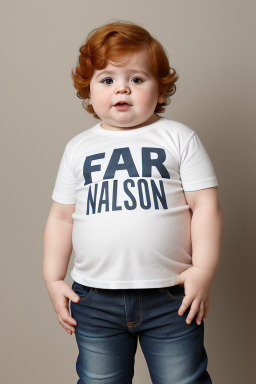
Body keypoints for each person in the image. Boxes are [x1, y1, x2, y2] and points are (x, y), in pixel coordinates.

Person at [43, 20, 223, 384]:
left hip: (171, 295)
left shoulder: (178, 138)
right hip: (94, 300)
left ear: (160, 89)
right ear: (88, 90)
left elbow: (206, 208)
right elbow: (62, 217)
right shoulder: (79, 148)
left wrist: (203, 271)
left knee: (182, 380)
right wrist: (52, 278)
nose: (121, 88)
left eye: (137, 79)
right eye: (107, 79)